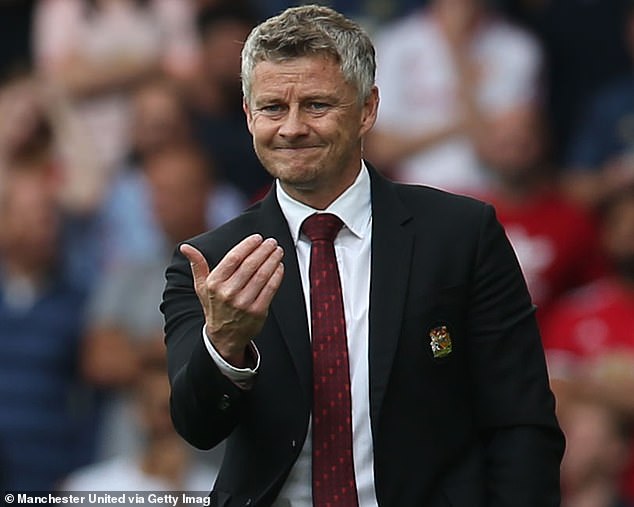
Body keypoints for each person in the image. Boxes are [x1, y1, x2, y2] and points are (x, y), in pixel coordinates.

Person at [161, 5, 564, 506]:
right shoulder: (210, 262)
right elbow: (197, 426)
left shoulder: (462, 236)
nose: (292, 128)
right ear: (248, 115)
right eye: (272, 108)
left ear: (368, 109)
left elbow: (521, 421)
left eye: (316, 105)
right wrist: (224, 343)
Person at [365, 0, 543, 195]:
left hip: (488, 193)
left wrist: (457, 53)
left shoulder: (516, 47)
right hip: (413, 192)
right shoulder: (395, 43)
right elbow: (380, 150)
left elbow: (503, 151)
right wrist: (462, 125)